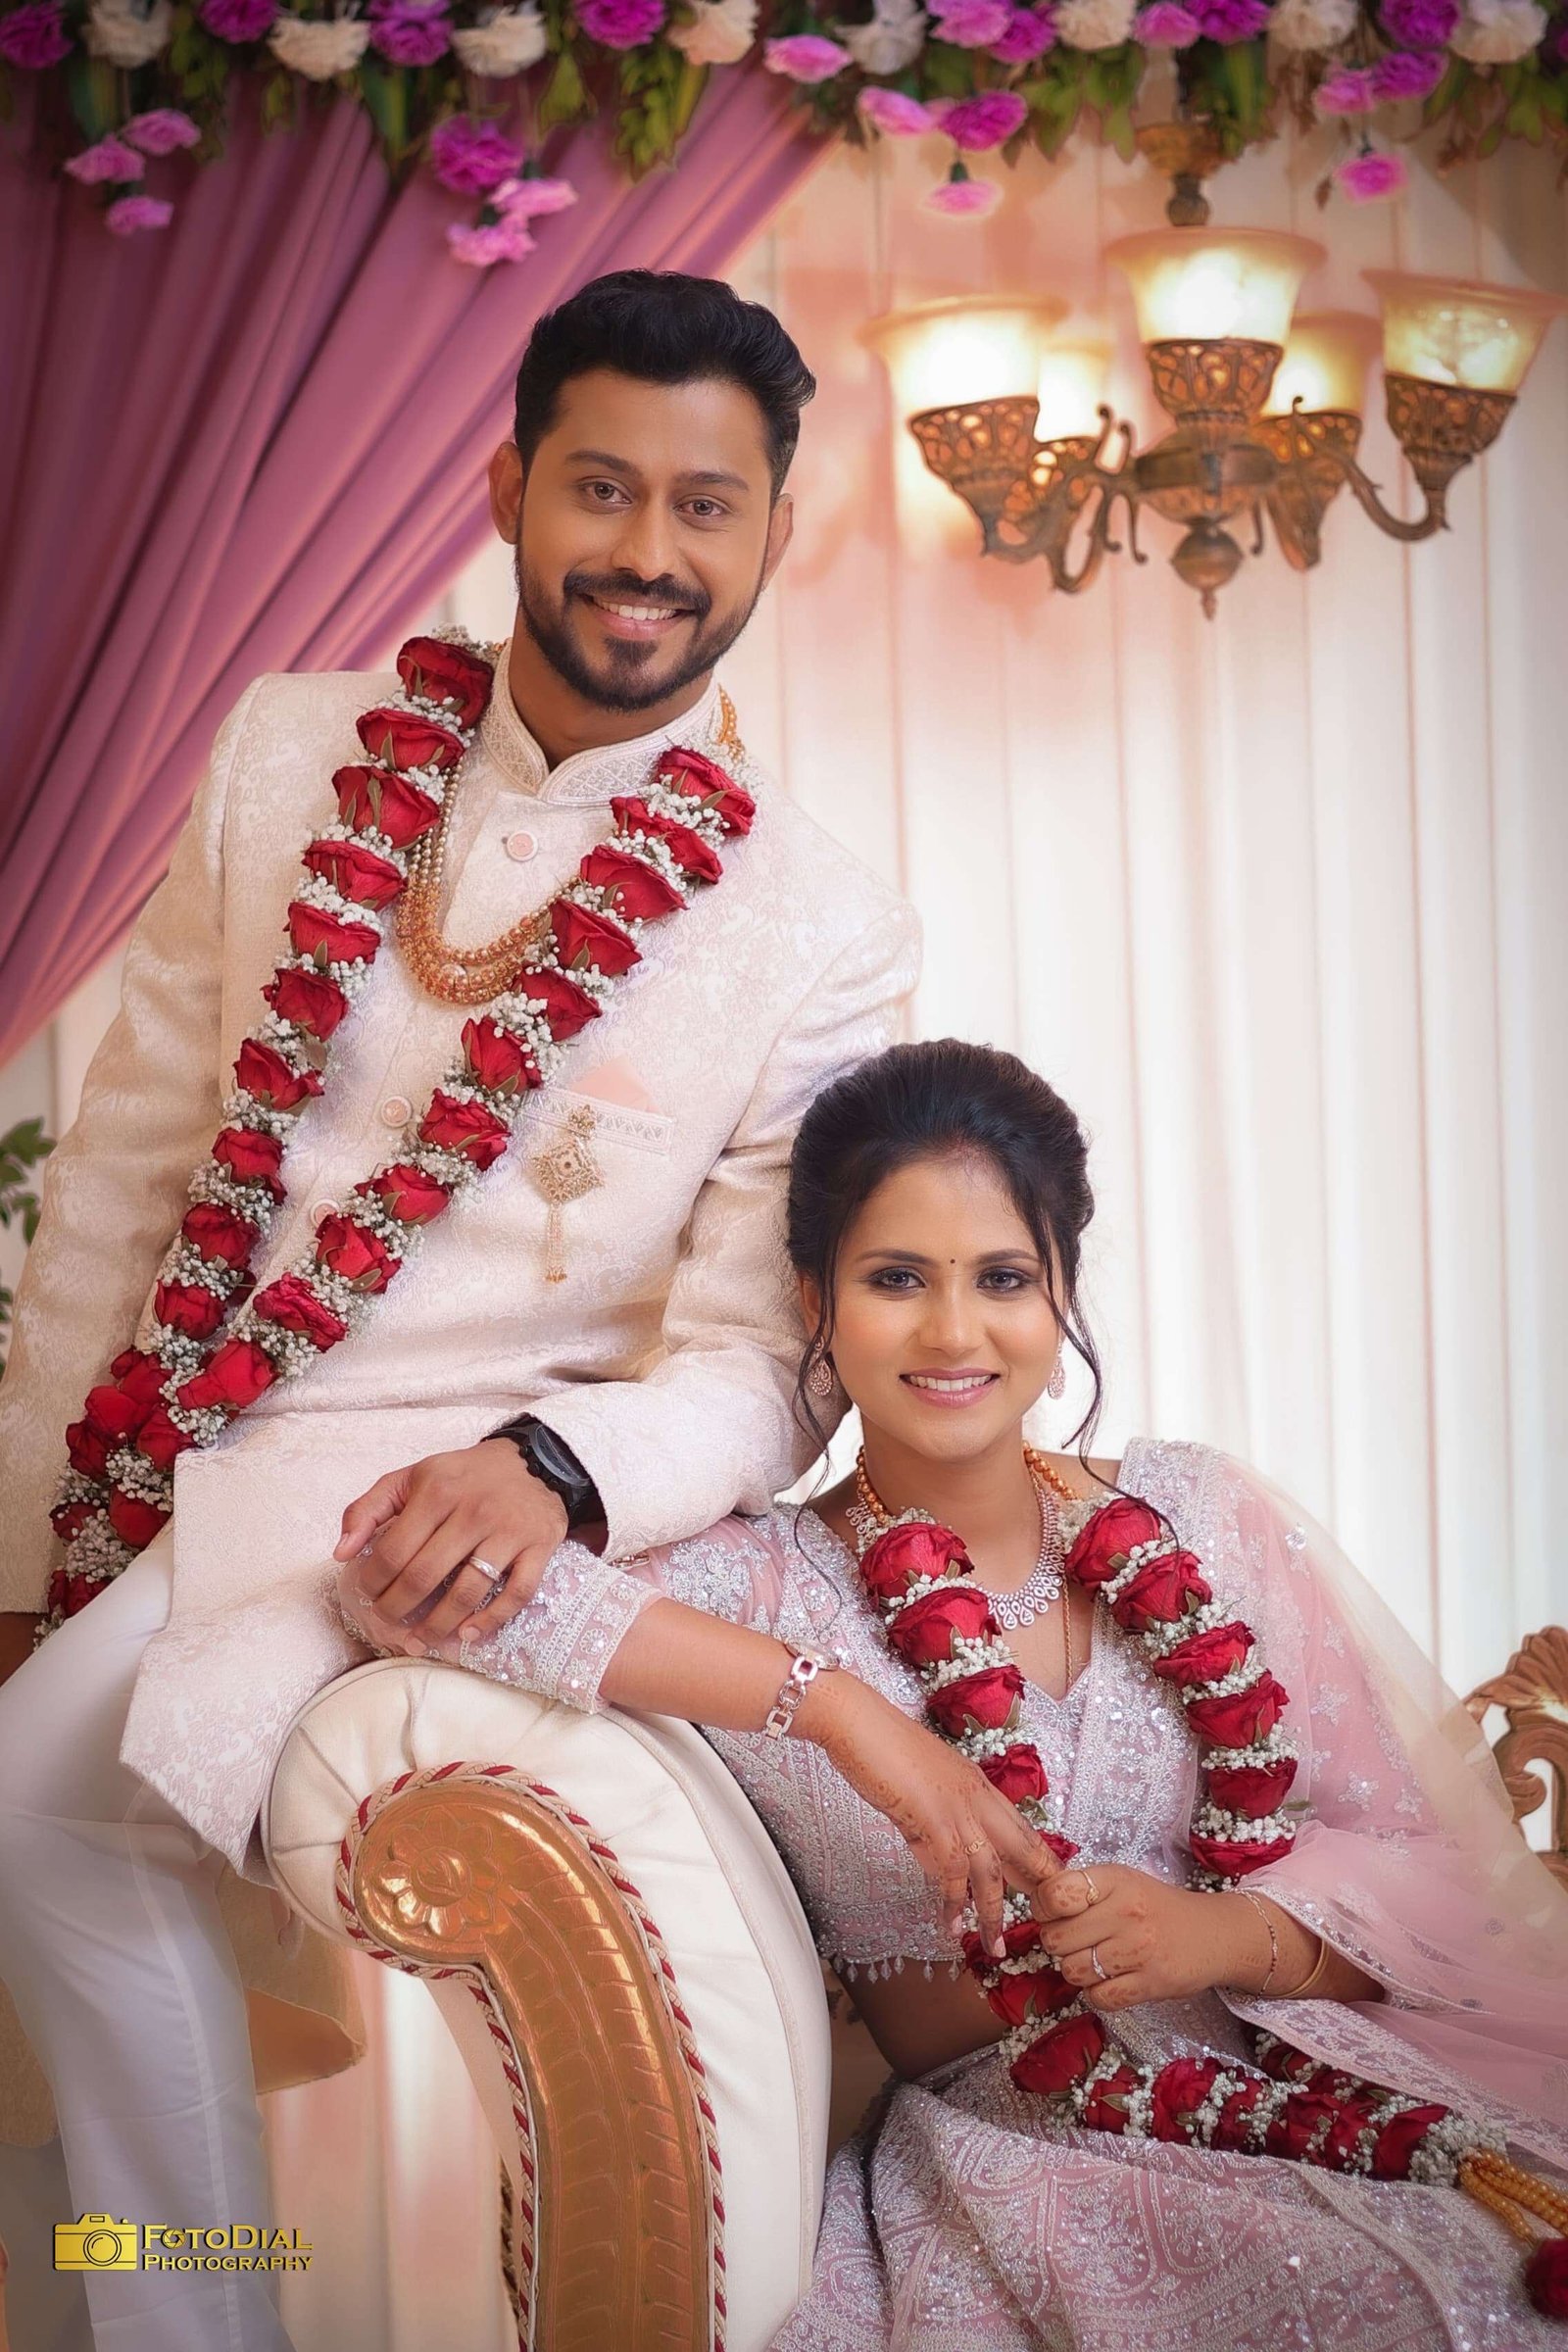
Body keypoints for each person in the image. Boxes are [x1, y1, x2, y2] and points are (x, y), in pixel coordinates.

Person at [0, 270, 919, 2351]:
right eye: (600, 487)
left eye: (705, 507)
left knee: (36, 1821)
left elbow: (764, 1366)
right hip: (170, 1448)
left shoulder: (819, 919)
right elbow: (130, 1171)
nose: (645, 553)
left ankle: (196, 2327)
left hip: (415, 1498)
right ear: (507, 488)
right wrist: (23, 1537)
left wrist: (553, 1471)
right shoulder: (285, 751)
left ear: (776, 534)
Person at [341, 1037, 1568, 2350]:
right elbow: (400, 1586)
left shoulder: (1200, 1513)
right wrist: (842, 1711)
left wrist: (1225, 1936)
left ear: (1062, 1291)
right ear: (814, 1301)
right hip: (1035, 2157)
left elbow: (1419, 1858)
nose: (952, 1332)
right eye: (895, 1279)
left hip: (1331, 2077)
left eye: (1002, 1278)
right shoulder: (761, 1585)